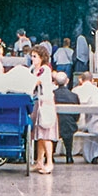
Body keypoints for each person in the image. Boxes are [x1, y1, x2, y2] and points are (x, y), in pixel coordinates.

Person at [30, 46, 58, 174]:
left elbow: (36, 82)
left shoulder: (44, 70)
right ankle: (39, 161)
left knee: (46, 135)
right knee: (39, 135)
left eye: (35, 56)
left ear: (42, 58)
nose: (32, 59)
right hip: (37, 103)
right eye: (32, 56)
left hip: (46, 104)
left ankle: (49, 162)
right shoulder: (32, 69)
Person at [51, 71, 80, 164]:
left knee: (54, 126)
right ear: (67, 81)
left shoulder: (52, 94)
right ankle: (69, 155)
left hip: (54, 124)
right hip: (69, 125)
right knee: (67, 126)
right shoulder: (73, 96)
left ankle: (50, 155)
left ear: (55, 82)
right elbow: (77, 114)